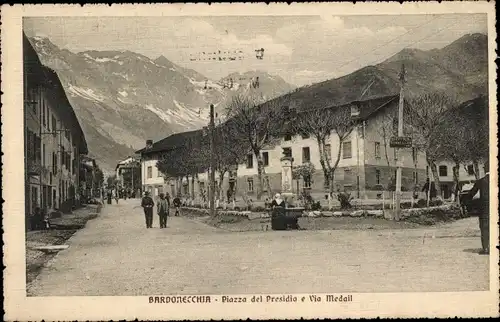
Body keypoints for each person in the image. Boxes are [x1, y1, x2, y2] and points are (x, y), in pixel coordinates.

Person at [467, 161, 490, 255]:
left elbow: (470, 194)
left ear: (485, 169)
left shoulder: (480, 181)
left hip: (484, 209)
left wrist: (470, 204)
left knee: (484, 228)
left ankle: (486, 249)